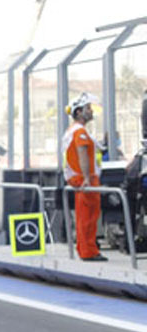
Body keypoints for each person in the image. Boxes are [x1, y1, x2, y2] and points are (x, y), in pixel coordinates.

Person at [63, 92, 105, 261]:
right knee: (88, 217)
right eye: (88, 108)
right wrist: (87, 177)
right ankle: (88, 251)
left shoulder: (72, 130)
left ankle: (85, 248)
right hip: (84, 178)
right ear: (79, 112)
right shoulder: (79, 132)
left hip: (78, 177)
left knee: (84, 216)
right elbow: (82, 153)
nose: (91, 111)